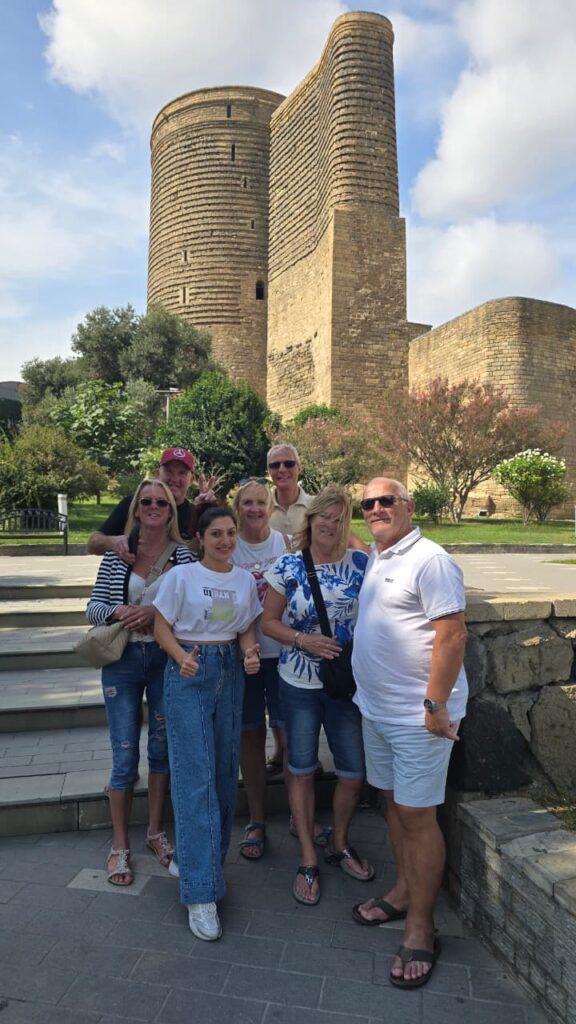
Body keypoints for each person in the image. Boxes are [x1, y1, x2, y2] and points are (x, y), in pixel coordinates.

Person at [350, 477, 468, 989]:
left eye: (386, 501)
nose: (376, 508)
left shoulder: (431, 559)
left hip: (418, 717)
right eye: (368, 503)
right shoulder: (380, 554)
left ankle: (422, 926)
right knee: (395, 806)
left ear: (408, 506)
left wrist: (436, 704)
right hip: (377, 711)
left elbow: (453, 633)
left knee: (419, 817)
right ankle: (401, 893)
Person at [153, 506, 262, 941]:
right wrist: (180, 658)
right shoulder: (182, 578)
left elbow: (246, 630)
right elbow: (161, 626)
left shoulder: (241, 580)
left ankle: (205, 865)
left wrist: (251, 653)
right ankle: (200, 893)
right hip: (191, 672)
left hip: (229, 672)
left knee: (221, 774)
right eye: (216, 533)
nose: (225, 541)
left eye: (231, 533)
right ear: (199, 537)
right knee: (195, 777)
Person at [262, 485, 374, 906]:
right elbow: (268, 622)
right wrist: (302, 641)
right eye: (322, 516)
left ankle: (339, 842)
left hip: (345, 684)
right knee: (303, 768)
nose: (329, 524)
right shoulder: (288, 565)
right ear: (309, 521)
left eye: (338, 517)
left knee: (352, 771)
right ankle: (307, 855)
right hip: (299, 683)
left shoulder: (362, 564)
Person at [85, 478, 193, 886]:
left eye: (160, 502)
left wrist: (156, 616)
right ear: (136, 509)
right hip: (124, 659)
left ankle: (154, 832)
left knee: (162, 749)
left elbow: (191, 610)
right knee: (124, 751)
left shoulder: (183, 557)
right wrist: (121, 612)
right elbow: (92, 609)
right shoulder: (120, 554)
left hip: (165, 658)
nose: (152, 507)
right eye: (145, 501)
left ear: (170, 510)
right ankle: (119, 844)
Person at [230, 478, 288, 859]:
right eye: (246, 503)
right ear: (238, 508)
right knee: (249, 735)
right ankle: (256, 818)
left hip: (282, 653)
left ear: (270, 507)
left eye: (260, 503)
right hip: (244, 655)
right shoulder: (228, 544)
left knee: (290, 729)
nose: (254, 509)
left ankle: (300, 813)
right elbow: (225, 605)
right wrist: (246, 644)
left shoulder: (283, 543)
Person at [87, 447, 216, 561]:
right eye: (169, 471)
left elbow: (212, 554)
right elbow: (93, 544)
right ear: (158, 473)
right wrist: (113, 542)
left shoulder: (195, 514)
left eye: (182, 473)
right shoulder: (134, 504)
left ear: (191, 479)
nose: (175, 478)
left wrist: (207, 510)